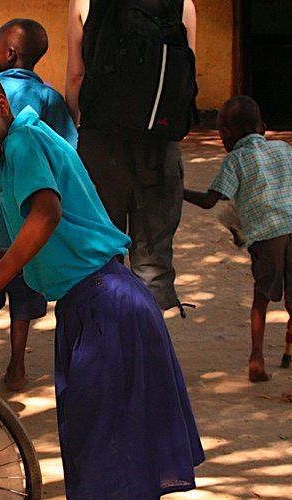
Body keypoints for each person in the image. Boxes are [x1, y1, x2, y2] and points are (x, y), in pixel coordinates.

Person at [0, 68, 204, 500]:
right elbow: (55, 223)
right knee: (135, 436)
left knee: (97, 447)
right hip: (113, 298)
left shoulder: (24, 139)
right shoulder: (21, 145)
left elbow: (48, 214)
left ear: (0, 106)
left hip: (102, 307)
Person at [0, 18, 76, 390]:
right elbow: (64, 149)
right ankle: (17, 366)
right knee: (23, 293)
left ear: (8, 52)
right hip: (23, 222)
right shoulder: (49, 98)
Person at [184, 96, 292, 402]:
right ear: (263, 127)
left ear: (226, 135)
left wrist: (176, 191)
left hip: (268, 238)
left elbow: (210, 200)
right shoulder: (285, 148)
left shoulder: (235, 159)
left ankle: (257, 359)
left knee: (261, 299)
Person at [66, 0, 197, 314]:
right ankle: (148, 352)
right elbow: (186, 80)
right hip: (159, 146)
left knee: (99, 254)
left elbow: (75, 74)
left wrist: (78, 132)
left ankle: (105, 349)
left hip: (100, 144)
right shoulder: (184, 4)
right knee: (153, 263)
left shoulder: (83, 2)